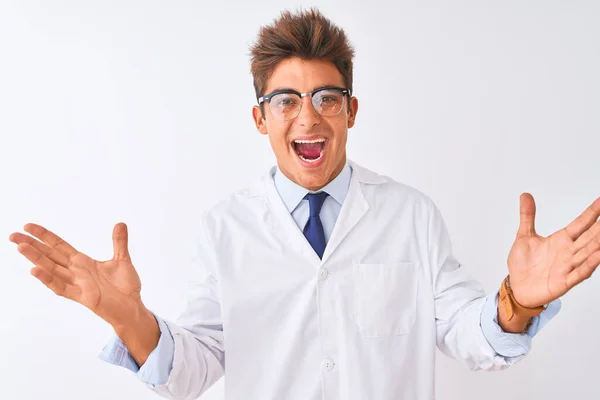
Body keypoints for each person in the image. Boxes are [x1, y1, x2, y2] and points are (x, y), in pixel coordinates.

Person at [9, 8, 600, 400]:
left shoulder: (411, 216)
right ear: (260, 118)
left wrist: (517, 301)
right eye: (286, 100)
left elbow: (472, 337)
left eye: (326, 97)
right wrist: (127, 317)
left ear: (352, 110)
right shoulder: (226, 228)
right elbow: (190, 370)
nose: (309, 116)